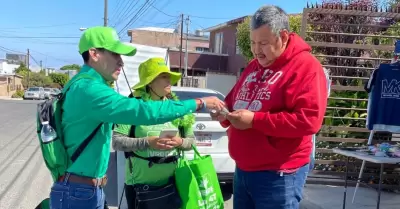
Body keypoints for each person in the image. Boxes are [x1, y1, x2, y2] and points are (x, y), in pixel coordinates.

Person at [49, 26, 224, 209]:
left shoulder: (86, 85)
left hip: (86, 189)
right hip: (80, 192)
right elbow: (143, 112)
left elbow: (186, 138)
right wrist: (198, 103)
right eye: (115, 54)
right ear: (94, 54)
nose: (121, 62)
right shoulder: (89, 89)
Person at [211, 5, 328, 209]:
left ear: (282, 36)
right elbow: (232, 101)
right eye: (253, 42)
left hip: (278, 175)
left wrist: (255, 121)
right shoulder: (253, 66)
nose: (256, 50)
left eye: (263, 43)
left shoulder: (306, 67)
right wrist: (222, 112)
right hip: (243, 170)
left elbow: (308, 121)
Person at [112, 57, 196, 209]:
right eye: (163, 76)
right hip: (140, 187)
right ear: (150, 82)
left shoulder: (177, 107)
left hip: (172, 184)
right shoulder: (133, 106)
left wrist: (180, 142)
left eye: (169, 76)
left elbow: (191, 141)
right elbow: (117, 141)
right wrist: (148, 142)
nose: (169, 80)